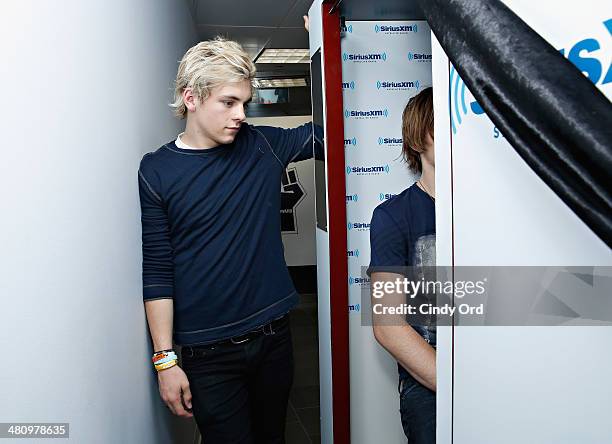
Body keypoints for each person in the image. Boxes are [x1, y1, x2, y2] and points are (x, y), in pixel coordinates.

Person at [138, 36, 321, 443]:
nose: (242, 114)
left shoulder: (263, 146)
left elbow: (331, 136)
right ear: (191, 98)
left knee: (273, 436)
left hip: (274, 337)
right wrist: (165, 361)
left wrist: (323, 45)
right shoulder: (157, 171)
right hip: (209, 355)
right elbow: (157, 270)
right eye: (228, 102)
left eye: (244, 102)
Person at [367, 87, 436, 443]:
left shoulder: (493, 211)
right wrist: (456, 383)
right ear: (417, 137)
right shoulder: (393, 216)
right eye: (440, 124)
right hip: (430, 381)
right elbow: (389, 325)